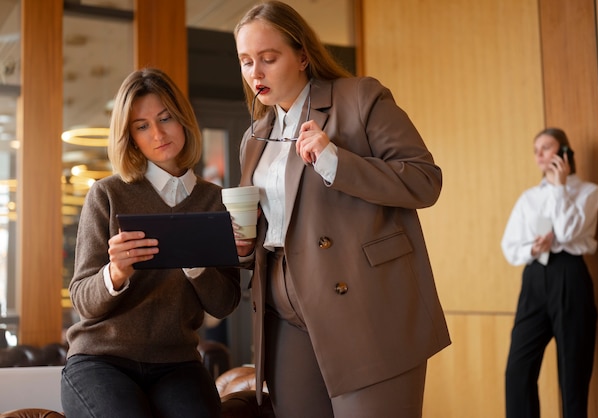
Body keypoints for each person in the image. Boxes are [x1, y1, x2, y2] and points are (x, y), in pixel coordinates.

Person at [230, 2, 450, 417]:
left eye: (268, 58)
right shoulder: (254, 137)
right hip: (283, 320)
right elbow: (272, 229)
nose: (255, 73)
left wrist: (335, 161)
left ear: (302, 55)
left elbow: (425, 181)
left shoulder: (360, 98)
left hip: (366, 311)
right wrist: (243, 245)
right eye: (245, 62)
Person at [60, 68, 241, 418]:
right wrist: (115, 273)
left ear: (184, 120)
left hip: (177, 363)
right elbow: (83, 299)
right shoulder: (108, 194)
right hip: (101, 360)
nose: (158, 134)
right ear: (129, 137)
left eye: (165, 118)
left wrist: (197, 263)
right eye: (142, 126)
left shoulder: (215, 200)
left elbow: (224, 303)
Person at [501, 127, 598, 418]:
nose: (540, 154)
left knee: (573, 374)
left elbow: (568, 232)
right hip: (534, 278)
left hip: (571, 276)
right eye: (536, 150)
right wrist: (533, 248)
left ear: (565, 152)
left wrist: (559, 186)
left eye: (547, 147)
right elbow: (509, 245)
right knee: (517, 370)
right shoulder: (528, 198)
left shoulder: (588, 192)